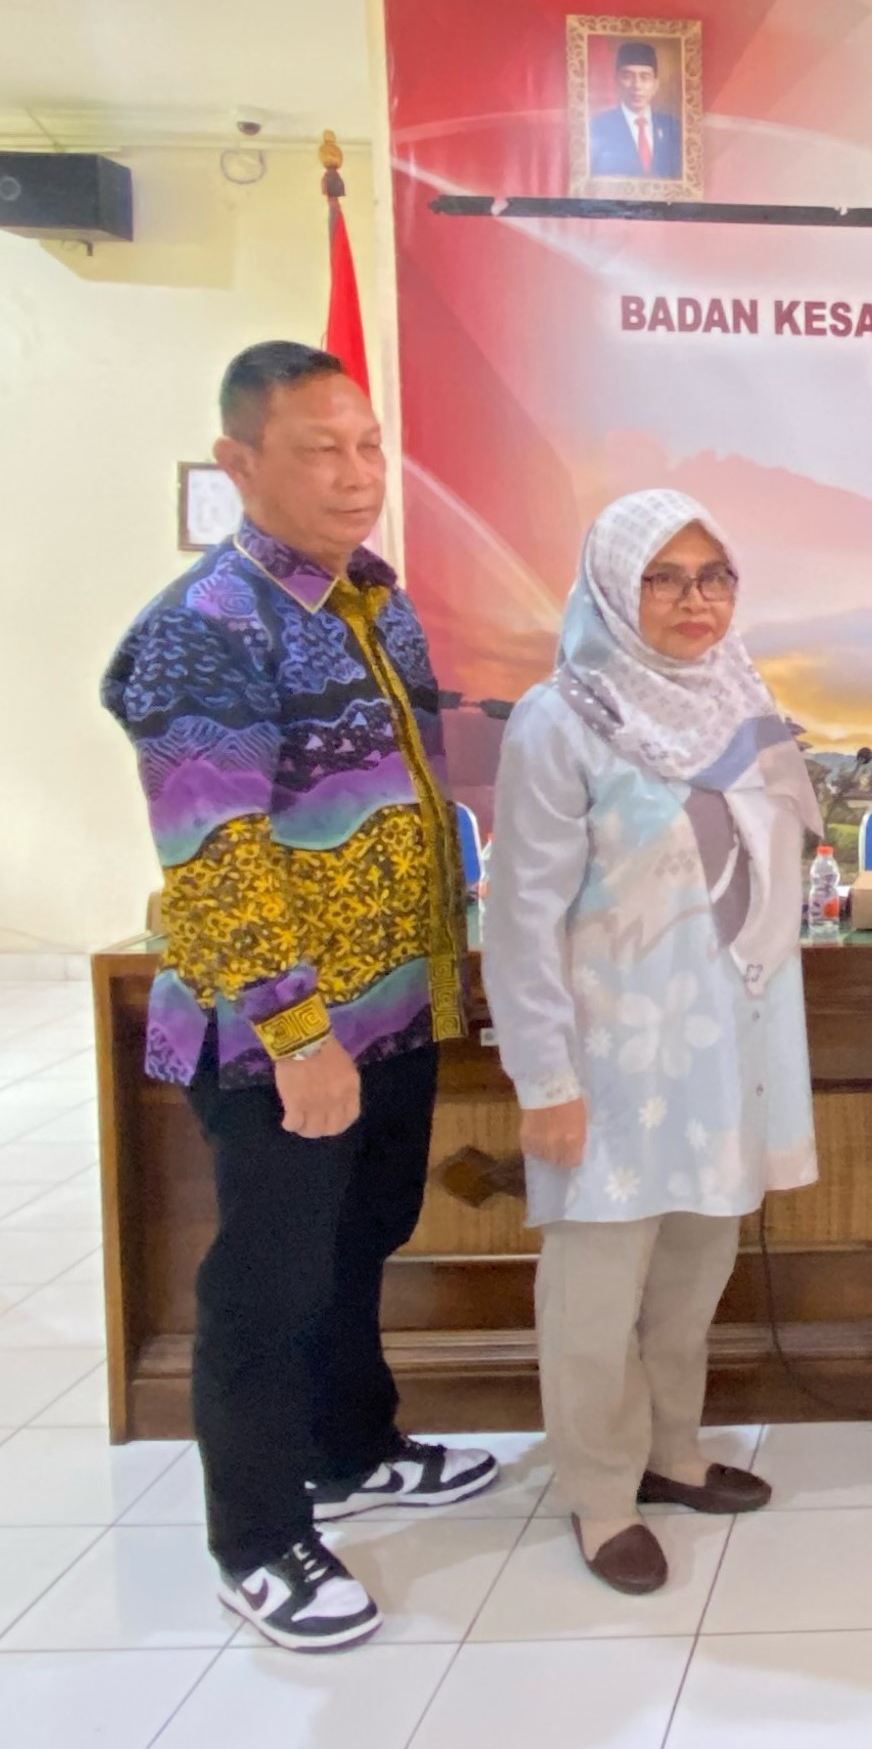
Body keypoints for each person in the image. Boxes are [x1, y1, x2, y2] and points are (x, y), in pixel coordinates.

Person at [100, 341, 499, 1652]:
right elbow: (214, 857)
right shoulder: (204, 631)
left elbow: (413, 790)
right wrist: (296, 1031)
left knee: (358, 1239)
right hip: (283, 1034)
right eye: (320, 448)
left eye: (368, 445)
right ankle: (258, 1538)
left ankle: (351, 1447)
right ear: (240, 463)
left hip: (393, 1010)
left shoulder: (375, 601)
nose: (355, 472)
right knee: (267, 1283)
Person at [484, 490, 821, 1594]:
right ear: (612, 590)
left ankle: (673, 1452)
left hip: (722, 1052)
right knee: (594, 1295)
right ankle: (600, 1495)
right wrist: (545, 1077)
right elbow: (521, 914)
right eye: (662, 578)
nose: (693, 600)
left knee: (690, 1274)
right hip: (608, 1060)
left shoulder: (739, 698)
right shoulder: (559, 719)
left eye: (712, 576)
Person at [588, 40, 683, 179]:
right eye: (628, 76)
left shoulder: (673, 127)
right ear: (616, 83)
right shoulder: (598, 126)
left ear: (655, 85)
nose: (637, 85)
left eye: (645, 77)